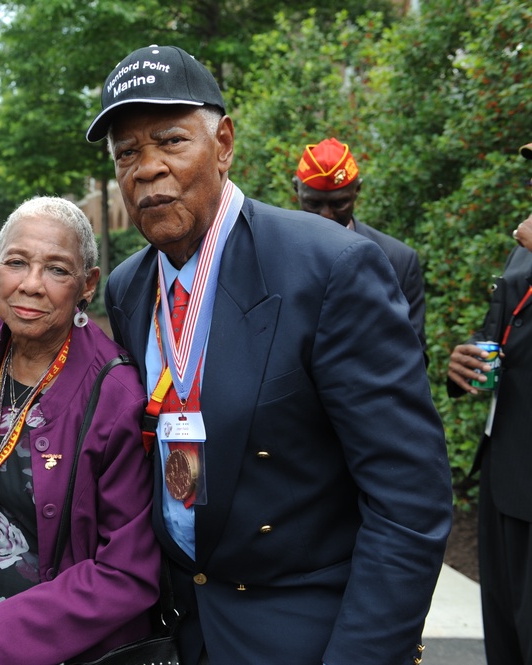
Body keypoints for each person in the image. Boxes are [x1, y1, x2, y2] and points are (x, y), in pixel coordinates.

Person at [87, 44, 452, 664]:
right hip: (179, 626)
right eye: (127, 153)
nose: (146, 168)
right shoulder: (128, 286)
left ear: (224, 144)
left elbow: (408, 498)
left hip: (301, 631)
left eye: (171, 140)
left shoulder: (329, 267)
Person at [0, 196, 160, 665]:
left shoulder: (117, 395)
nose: (31, 285)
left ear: (87, 284)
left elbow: (128, 574)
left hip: (60, 644)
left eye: (57, 270)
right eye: (16, 263)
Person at [446, 141, 532, 665]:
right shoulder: (522, 246)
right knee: (505, 639)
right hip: (505, 478)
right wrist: (463, 369)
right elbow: (495, 334)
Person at [293, 137, 428, 363]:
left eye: (339, 203)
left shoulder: (398, 260)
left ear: (357, 191)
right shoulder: (269, 252)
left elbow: (413, 357)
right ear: (296, 189)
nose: (326, 215)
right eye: (313, 204)